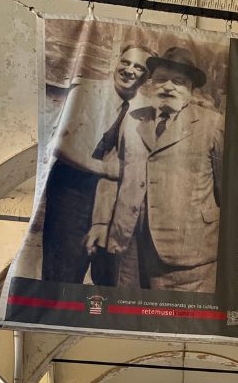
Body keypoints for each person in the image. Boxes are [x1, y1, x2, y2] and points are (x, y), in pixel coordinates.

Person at [85, 46, 224, 292]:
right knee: (131, 324)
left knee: (182, 326)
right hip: (129, 253)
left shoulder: (213, 125)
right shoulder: (133, 119)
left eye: (178, 82)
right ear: (150, 84)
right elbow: (112, 174)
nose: (168, 87)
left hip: (187, 261)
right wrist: (100, 223)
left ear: (191, 89)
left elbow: (229, 191)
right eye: (161, 80)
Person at [42, 44, 154, 284]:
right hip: (71, 191)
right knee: (63, 270)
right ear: (116, 61)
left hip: (113, 200)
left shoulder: (146, 108)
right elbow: (57, 145)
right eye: (125, 62)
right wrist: (103, 168)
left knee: (109, 276)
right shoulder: (87, 91)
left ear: (148, 76)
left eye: (138, 67)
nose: (129, 70)